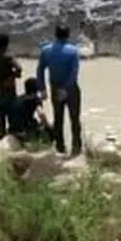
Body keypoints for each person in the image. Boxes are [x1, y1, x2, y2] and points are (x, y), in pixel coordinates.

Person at [36, 25, 82, 156]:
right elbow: (74, 73)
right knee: (74, 118)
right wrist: (66, 88)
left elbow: (40, 70)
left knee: (58, 118)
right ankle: (76, 148)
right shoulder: (73, 51)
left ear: (55, 35)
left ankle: (60, 147)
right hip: (71, 88)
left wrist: (42, 88)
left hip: (55, 88)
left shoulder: (46, 51)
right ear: (68, 35)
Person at [7, 78, 53, 142]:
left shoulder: (18, 98)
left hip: (12, 130)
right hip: (24, 131)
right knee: (50, 129)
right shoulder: (35, 99)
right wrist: (48, 126)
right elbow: (41, 114)